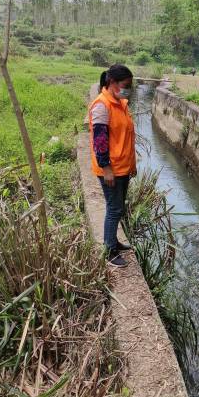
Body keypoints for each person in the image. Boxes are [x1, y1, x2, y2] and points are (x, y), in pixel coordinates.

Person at [88, 64, 136, 268]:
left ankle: (114, 241)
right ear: (112, 83)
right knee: (114, 208)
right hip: (111, 169)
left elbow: (125, 138)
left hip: (123, 167)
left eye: (130, 86)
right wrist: (106, 169)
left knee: (118, 207)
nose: (128, 89)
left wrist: (131, 165)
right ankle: (109, 250)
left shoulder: (120, 104)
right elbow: (100, 141)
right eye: (125, 85)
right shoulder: (102, 106)